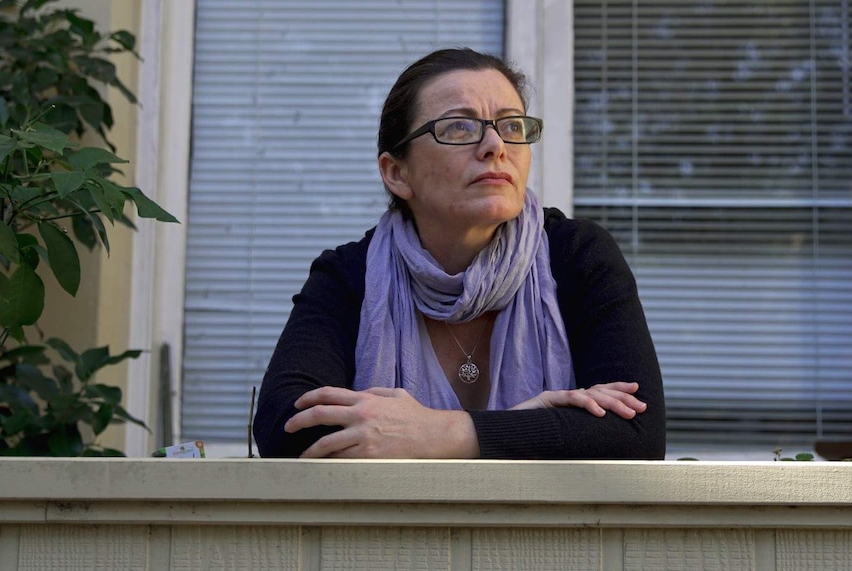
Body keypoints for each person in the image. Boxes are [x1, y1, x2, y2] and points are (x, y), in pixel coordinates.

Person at [253, 48, 666, 459]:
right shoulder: (348, 276)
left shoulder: (577, 255)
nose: (494, 146)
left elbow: (636, 435)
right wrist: (529, 425)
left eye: (511, 125)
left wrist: (440, 433)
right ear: (397, 173)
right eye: (458, 128)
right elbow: (286, 427)